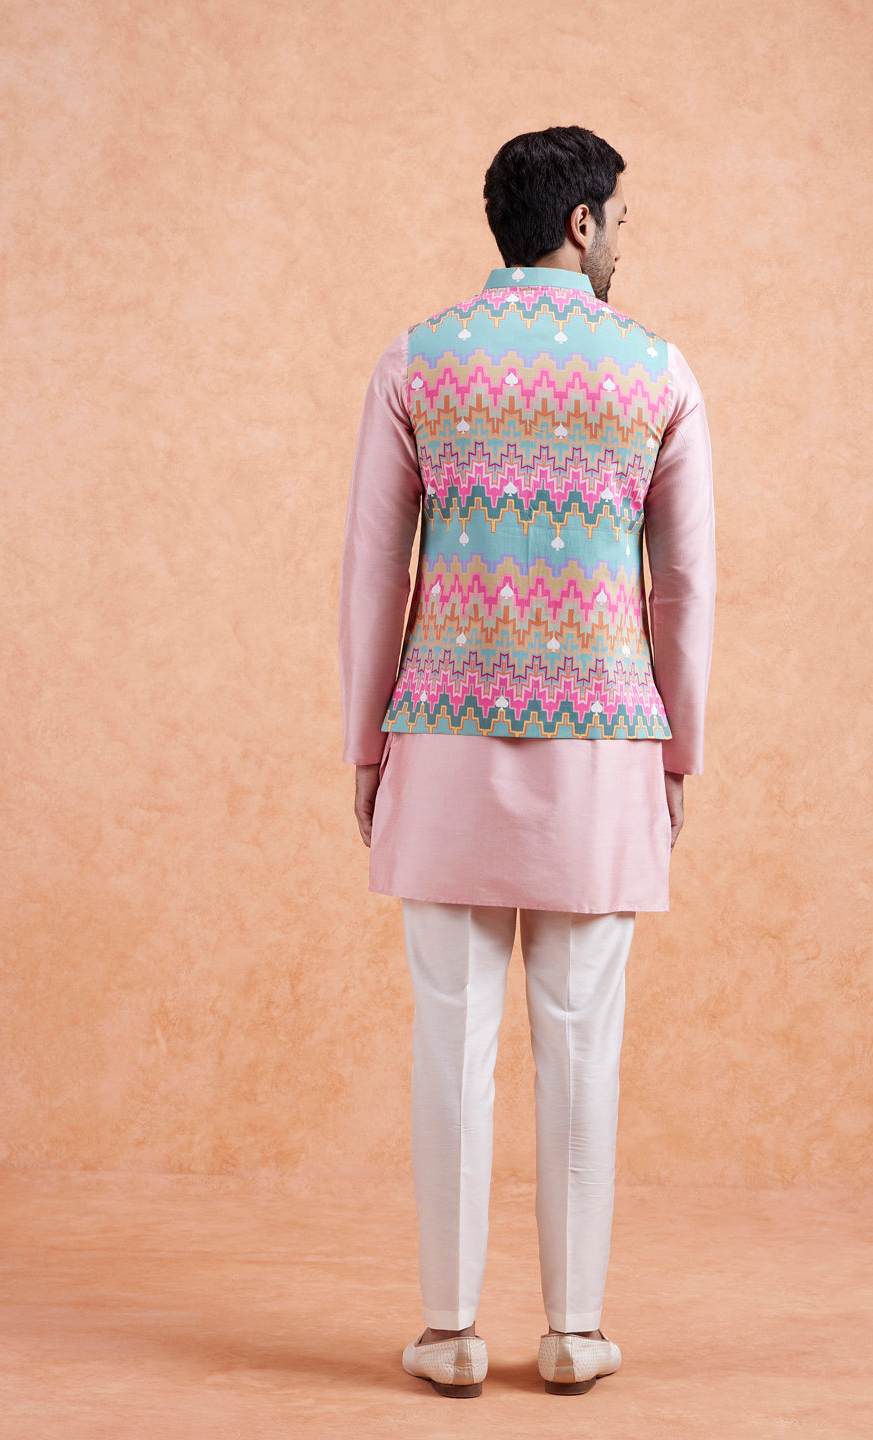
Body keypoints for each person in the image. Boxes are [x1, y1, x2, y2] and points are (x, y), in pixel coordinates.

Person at [337, 125, 716, 1399]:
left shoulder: (418, 361)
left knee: (450, 1038)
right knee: (581, 1038)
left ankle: (449, 1331)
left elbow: (373, 574)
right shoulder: (657, 371)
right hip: (603, 748)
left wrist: (365, 743)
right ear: (580, 224)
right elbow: (685, 590)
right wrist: (680, 749)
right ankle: (574, 1330)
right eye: (622, 220)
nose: (624, 241)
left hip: (442, 736)